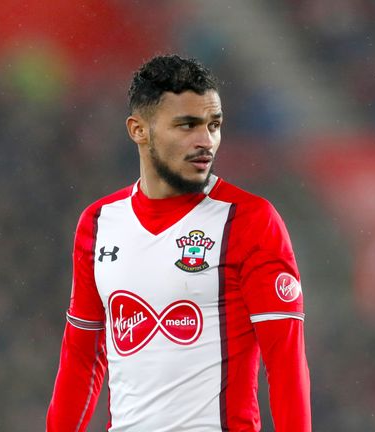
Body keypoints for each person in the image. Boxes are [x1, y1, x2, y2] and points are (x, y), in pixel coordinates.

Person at [47, 55, 311, 431]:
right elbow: (82, 357)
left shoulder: (251, 221)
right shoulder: (99, 222)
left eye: (213, 125)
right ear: (139, 130)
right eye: (187, 125)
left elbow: (285, 364)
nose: (206, 141)